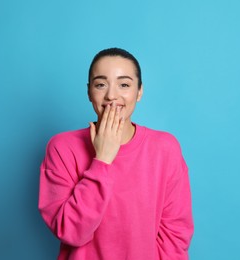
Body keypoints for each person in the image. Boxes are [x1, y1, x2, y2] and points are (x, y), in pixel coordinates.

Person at [39, 47, 194, 259]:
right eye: (101, 84)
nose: (112, 95)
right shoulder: (62, 148)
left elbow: (175, 235)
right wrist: (102, 159)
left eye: (124, 84)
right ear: (89, 92)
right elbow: (71, 232)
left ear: (139, 92)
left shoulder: (165, 148)